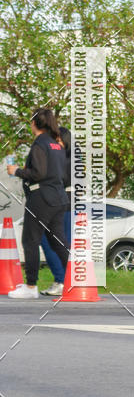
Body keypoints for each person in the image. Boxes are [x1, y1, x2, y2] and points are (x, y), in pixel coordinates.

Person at [7, 109, 69, 300]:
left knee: (30, 241)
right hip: (58, 199)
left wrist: (17, 171)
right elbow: (56, 173)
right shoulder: (57, 145)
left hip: (41, 198)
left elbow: (38, 174)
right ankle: (75, 279)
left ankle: (31, 286)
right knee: (57, 242)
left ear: (34, 123)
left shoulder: (39, 145)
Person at [39, 125, 72, 296]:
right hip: (59, 204)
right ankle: (62, 280)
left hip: (64, 205)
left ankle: (62, 280)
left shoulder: (68, 159)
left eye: (57, 140)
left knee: (50, 241)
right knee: (54, 242)